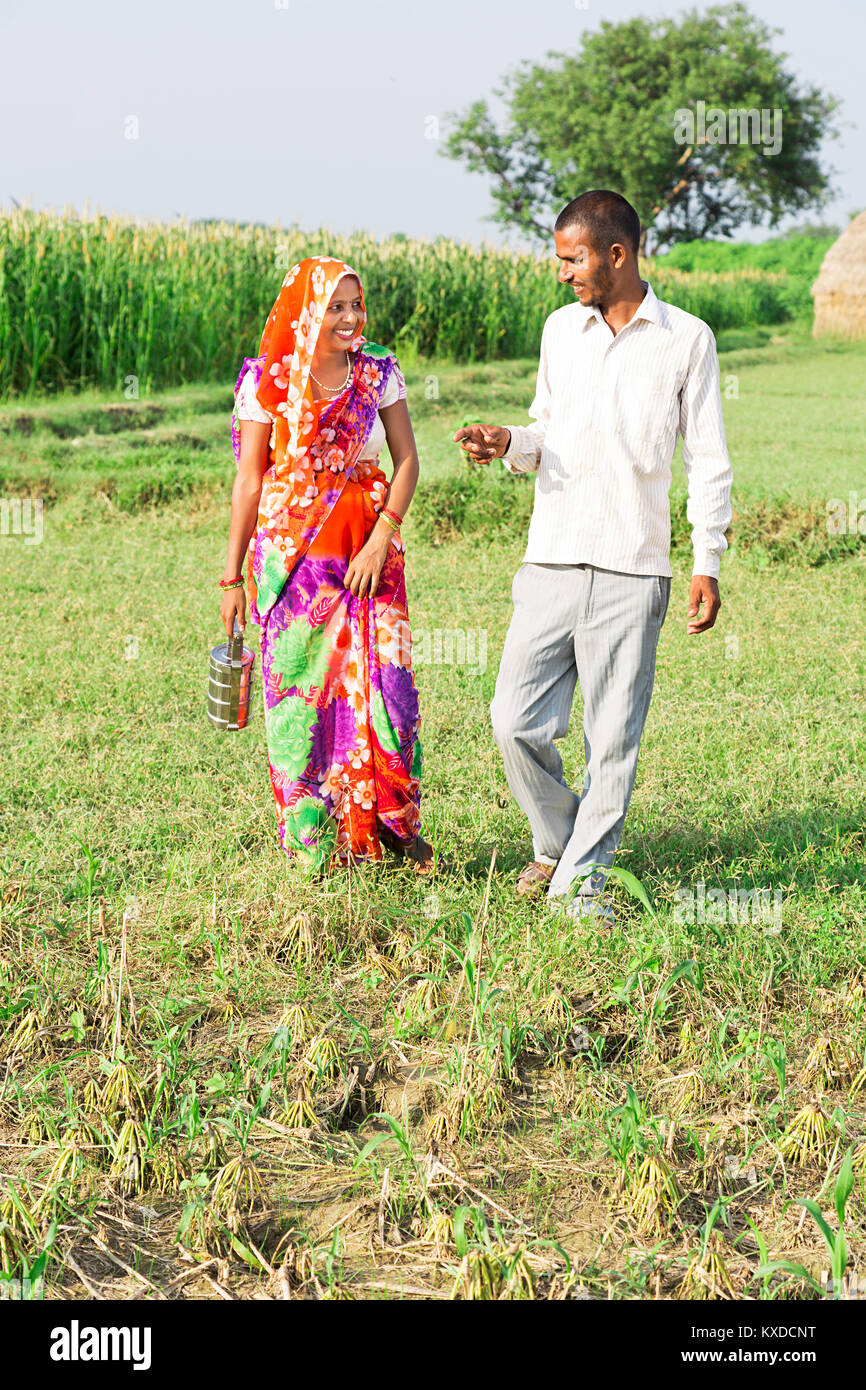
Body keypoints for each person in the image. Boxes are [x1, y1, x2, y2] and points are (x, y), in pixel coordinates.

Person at [454, 190, 733, 925]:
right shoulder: (559, 331)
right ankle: (559, 839)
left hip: (633, 566)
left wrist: (707, 558)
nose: (562, 274)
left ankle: (581, 886)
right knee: (513, 719)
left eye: (572, 259)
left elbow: (708, 460)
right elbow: (546, 428)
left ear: (617, 254)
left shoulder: (687, 340)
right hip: (550, 556)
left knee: (611, 739)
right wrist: (506, 441)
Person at [222, 256, 435, 876]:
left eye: (356, 305)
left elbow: (408, 463)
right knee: (303, 703)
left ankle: (393, 827)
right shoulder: (267, 382)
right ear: (307, 311)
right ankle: (318, 840)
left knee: (385, 693)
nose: (350, 318)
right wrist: (230, 577)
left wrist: (380, 539)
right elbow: (249, 482)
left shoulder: (377, 372)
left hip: (370, 562)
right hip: (294, 572)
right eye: (336, 306)